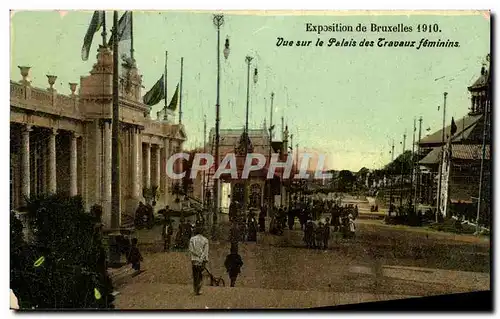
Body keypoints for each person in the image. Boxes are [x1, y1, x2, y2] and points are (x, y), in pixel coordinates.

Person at [188, 226, 209, 296]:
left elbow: (191, 249)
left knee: (195, 274)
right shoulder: (205, 240)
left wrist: (197, 254)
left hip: (194, 259)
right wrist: (201, 257)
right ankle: (199, 289)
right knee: (200, 274)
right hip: (202, 260)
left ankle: (195, 289)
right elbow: (205, 251)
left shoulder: (192, 239)